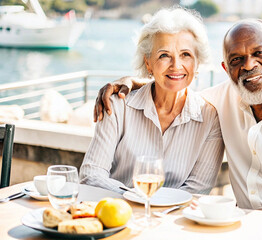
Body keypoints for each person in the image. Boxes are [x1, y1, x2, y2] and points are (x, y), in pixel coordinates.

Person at [94, 19, 262, 239]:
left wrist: (248, 229)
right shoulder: (222, 100)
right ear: (226, 68)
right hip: (245, 227)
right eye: (237, 60)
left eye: (260, 53)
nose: (248, 65)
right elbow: (175, 84)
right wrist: (129, 81)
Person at [80, 7, 224, 195]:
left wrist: (152, 206)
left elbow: (197, 190)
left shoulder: (211, 118)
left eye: (185, 55)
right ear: (148, 62)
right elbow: (91, 175)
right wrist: (139, 199)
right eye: (164, 55)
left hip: (174, 220)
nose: (176, 66)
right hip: (119, 214)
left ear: (197, 63)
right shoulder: (117, 105)